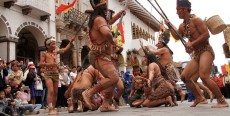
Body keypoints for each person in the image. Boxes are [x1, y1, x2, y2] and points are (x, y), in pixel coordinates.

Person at [166, 0, 228, 108]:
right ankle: (199, 97)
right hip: (197, 54)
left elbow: (206, 35)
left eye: (178, 10)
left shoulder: (196, 20)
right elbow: (176, 36)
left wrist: (192, 43)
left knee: (204, 76)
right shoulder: (182, 26)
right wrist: (170, 26)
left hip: (206, 51)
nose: (176, 13)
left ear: (184, 9)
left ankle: (222, 100)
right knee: (184, 77)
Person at [83, 0, 125, 112]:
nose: (107, 11)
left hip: (102, 56)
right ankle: (89, 93)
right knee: (114, 78)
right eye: (106, 8)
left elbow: (109, 22)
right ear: (102, 9)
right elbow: (107, 32)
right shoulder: (99, 20)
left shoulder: (98, 19)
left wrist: (119, 15)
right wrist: (113, 41)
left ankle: (105, 104)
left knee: (112, 80)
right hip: (100, 56)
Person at [39, 36, 75, 115]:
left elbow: (64, 49)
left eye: (55, 44)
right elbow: (41, 64)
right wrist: (51, 64)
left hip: (56, 74)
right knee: (51, 90)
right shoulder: (44, 54)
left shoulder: (55, 52)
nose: (55, 45)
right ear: (48, 45)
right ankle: (50, 108)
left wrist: (71, 42)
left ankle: (53, 109)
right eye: (53, 44)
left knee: (55, 92)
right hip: (48, 73)